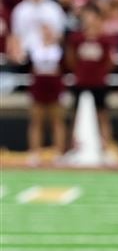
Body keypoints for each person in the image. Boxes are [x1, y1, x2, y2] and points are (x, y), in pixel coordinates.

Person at [66, 5, 116, 158]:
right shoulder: (77, 38)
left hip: (99, 82)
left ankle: (106, 145)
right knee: (76, 114)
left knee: (103, 114)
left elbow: (110, 61)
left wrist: (101, 73)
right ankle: (73, 145)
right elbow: (70, 59)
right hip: (81, 81)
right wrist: (79, 72)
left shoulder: (104, 39)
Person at [24, 23, 66, 165]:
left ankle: (59, 152)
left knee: (57, 120)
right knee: (36, 120)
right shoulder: (35, 48)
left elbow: (64, 67)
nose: (47, 33)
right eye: (44, 31)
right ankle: (35, 152)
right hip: (39, 84)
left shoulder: (59, 49)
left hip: (54, 84)